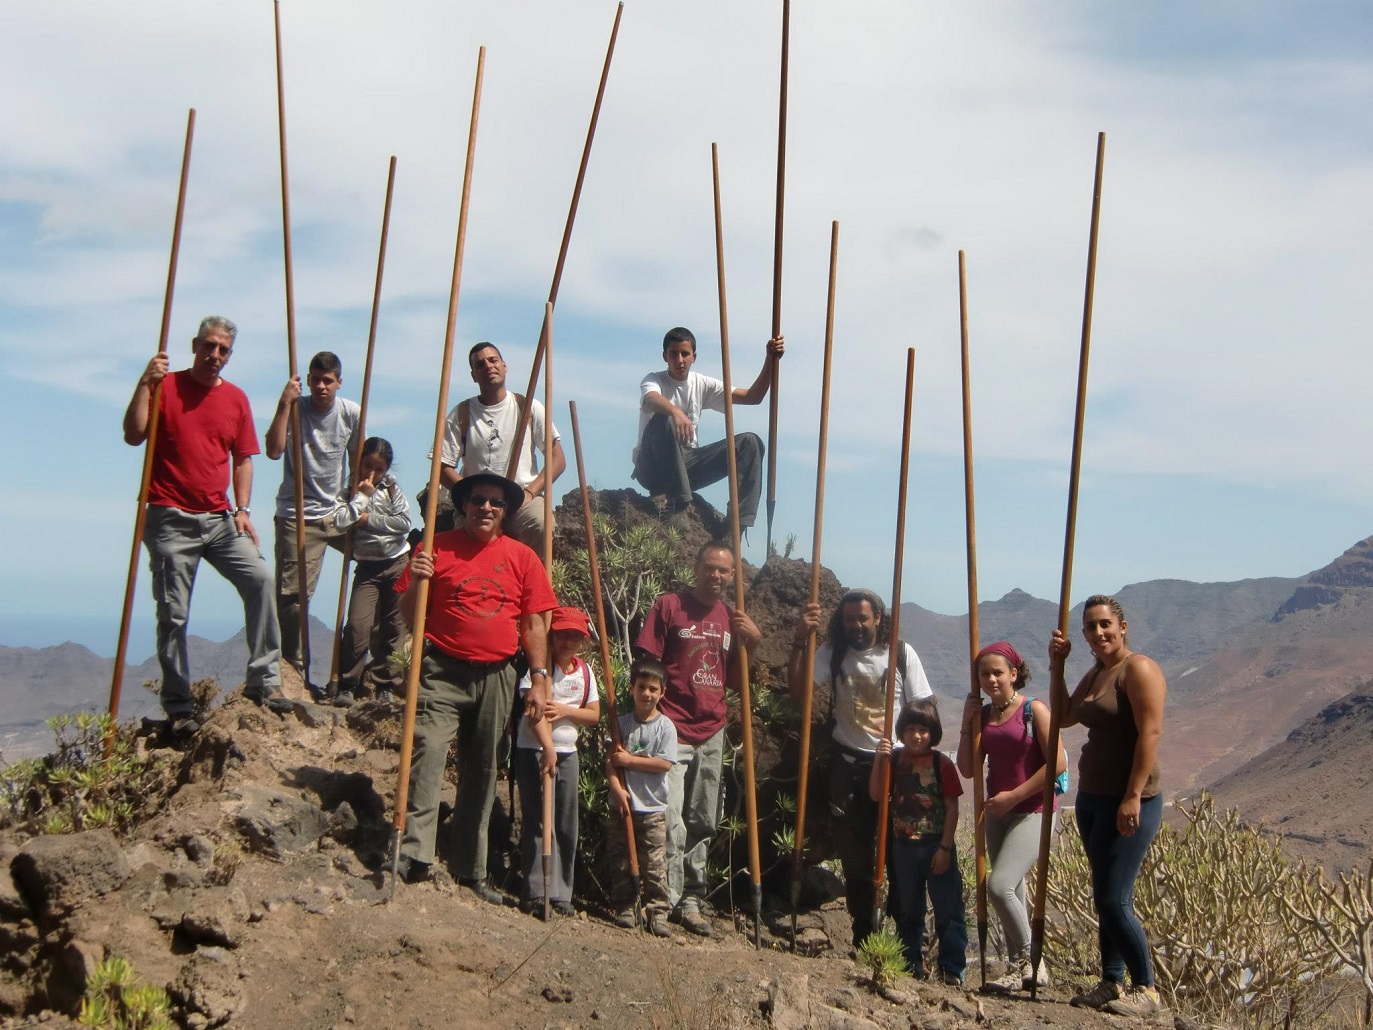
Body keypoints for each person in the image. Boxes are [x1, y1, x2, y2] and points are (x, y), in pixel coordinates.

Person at [122, 316, 291, 731]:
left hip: (218, 518)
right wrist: (145, 382)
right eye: (209, 346)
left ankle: (264, 681)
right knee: (174, 614)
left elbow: (244, 458)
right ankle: (179, 705)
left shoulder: (235, 399)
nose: (215, 355)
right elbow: (133, 434)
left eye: (223, 350)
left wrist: (243, 509)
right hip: (169, 516)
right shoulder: (166, 387)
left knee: (260, 579)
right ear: (195, 345)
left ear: (229, 355)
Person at [394, 472, 557, 902]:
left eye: (495, 503)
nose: (486, 508)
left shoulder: (522, 557)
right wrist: (416, 577)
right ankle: (415, 851)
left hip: (498, 675)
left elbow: (534, 623)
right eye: (478, 500)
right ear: (463, 505)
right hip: (442, 669)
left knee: (484, 769)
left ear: (506, 511)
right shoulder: (435, 548)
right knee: (427, 751)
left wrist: (539, 678)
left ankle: (471, 867)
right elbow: (411, 616)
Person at [787, 589, 934, 946]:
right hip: (848, 763)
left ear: (878, 619)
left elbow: (924, 708)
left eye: (862, 619)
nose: (855, 625)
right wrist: (798, 643)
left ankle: (906, 941)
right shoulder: (833, 651)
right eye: (849, 619)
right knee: (855, 856)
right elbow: (799, 691)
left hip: (896, 766)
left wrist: (917, 757)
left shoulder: (900, 653)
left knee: (900, 852)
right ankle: (864, 936)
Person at [634, 541, 762, 937]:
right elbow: (647, 662)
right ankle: (664, 899)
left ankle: (692, 898)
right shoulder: (670, 606)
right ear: (696, 566)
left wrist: (753, 642)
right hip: (672, 726)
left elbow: (737, 677)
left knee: (704, 818)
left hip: (713, 728)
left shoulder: (731, 618)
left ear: (733, 575)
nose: (717, 576)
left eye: (725, 571)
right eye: (710, 568)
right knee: (670, 817)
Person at [1050, 595, 1167, 1017]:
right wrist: (1058, 665)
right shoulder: (1098, 671)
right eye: (1089, 627)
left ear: (1122, 626)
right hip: (1092, 799)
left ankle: (1147, 990)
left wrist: (1132, 795)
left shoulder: (1138, 669)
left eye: (1104, 625)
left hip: (1130, 801)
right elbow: (1064, 715)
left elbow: (1150, 733)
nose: (1097, 633)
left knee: (1116, 900)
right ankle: (1111, 980)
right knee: (1103, 894)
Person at [955, 641, 1067, 993]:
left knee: (998, 885)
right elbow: (967, 770)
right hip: (997, 814)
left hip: (1033, 811)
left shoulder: (1034, 710)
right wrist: (966, 721)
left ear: (1014, 674)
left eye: (998, 673)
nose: (991, 679)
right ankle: (1019, 968)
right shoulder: (985, 717)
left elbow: (1059, 763)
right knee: (1012, 892)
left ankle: (1033, 963)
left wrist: (1014, 797)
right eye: (984, 674)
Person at [265, 351, 361, 686]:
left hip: (335, 514)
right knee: (293, 596)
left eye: (328, 380)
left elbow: (359, 462)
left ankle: (356, 671)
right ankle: (292, 668)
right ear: (307, 380)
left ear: (338, 382)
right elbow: (274, 451)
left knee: (385, 558)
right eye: (315, 380)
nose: (321, 386)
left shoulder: (351, 413)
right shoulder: (295, 408)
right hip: (297, 515)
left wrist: (358, 503)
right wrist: (282, 405)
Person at [631, 327, 784, 529]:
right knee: (663, 417)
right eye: (673, 354)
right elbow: (651, 398)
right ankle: (678, 504)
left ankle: (738, 524)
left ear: (694, 356)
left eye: (685, 354)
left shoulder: (701, 383)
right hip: (653, 467)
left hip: (687, 467)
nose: (680, 360)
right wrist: (675, 412)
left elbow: (753, 397)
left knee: (750, 442)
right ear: (664, 356)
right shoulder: (654, 380)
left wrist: (770, 360)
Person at [870, 698, 968, 984]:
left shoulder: (942, 764)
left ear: (932, 732)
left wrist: (946, 848)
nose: (916, 736)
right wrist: (879, 757)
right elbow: (877, 794)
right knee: (909, 910)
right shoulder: (894, 761)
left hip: (936, 845)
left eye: (923, 730)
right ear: (902, 730)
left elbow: (952, 807)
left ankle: (952, 968)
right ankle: (911, 964)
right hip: (903, 848)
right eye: (910, 729)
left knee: (948, 909)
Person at [435, 341, 565, 555]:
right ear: (473, 375)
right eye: (480, 365)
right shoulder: (462, 413)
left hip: (521, 499)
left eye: (493, 360)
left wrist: (529, 493)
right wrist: (470, 496)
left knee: (541, 525)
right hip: (478, 505)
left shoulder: (528, 406)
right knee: (465, 549)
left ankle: (528, 579)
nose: (488, 366)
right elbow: (442, 466)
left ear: (504, 365)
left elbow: (557, 459)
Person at [514, 606, 601, 916]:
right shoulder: (539, 670)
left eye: (575, 637)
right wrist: (547, 748)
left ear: (583, 641)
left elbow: (593, 714)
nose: (567, 642)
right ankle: (537, 891)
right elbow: (534, 713)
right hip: (534, 749)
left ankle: (562, 892)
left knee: (565, 822)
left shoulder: (585, 672)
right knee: (539, 820)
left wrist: (565, 712)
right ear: (552, 636)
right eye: (562, 634)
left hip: (568, 752)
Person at [331, 437, 411, 708]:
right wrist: (362, 498)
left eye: (379, 469)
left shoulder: (392, 489)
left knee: (393, 627)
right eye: (367, 466)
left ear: (387, 469)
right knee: (357, 624)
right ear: (359, 461)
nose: (371, 474)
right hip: (367, 567)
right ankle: (347, 684)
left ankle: (385, 684)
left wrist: (366, 520)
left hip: (397, 563)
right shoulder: (349, 490)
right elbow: (341, 521)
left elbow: (403, 523)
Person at [605, 657, 678, 938]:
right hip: (622, 805)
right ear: (632, 689)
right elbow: (611, 761)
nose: (647, 694)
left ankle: (658, 912)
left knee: (655, 864)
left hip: (651, 808)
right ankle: (625, 906)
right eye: (642, 687)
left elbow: (664, 764)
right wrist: (616, 787)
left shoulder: (665, 728)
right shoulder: (620, 723)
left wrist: (631, 760)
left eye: (653, 689)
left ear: (662, 693)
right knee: (621, 859)